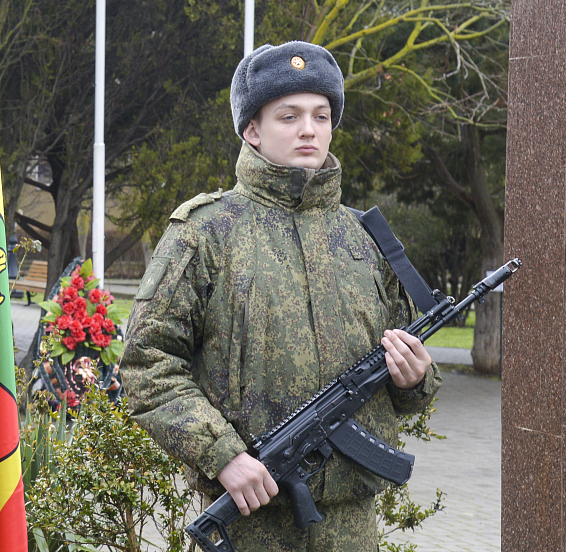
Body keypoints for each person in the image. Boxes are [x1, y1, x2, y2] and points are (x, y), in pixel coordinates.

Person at [119, 41, 443, 551]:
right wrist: (222, 454)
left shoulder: (366, 239)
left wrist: (415, 378)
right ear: (252, 129)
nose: (308, 129)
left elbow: (408, 372)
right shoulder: (206, 233)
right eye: (288, 116)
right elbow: (146, 362)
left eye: (321, 115)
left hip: (351, 529)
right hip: (251, 525)